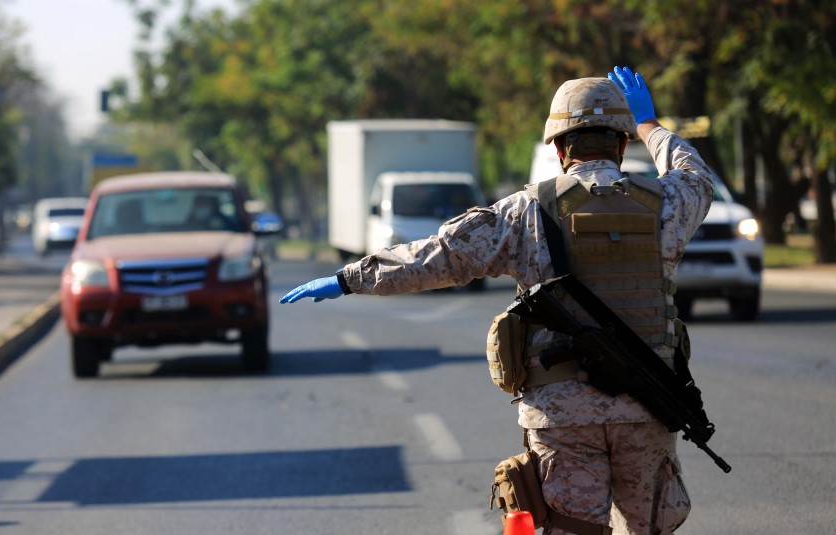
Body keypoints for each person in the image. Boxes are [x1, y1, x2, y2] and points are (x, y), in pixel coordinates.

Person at [280, 66, 713, 534]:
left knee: (573, 529)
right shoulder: (669, 203)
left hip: (560, 415)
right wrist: (650, 124)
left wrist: (350, 278)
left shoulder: (525, 210)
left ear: (560, 147)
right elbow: (696, 174)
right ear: (622, 144)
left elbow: (436, 257)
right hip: (647, 408)